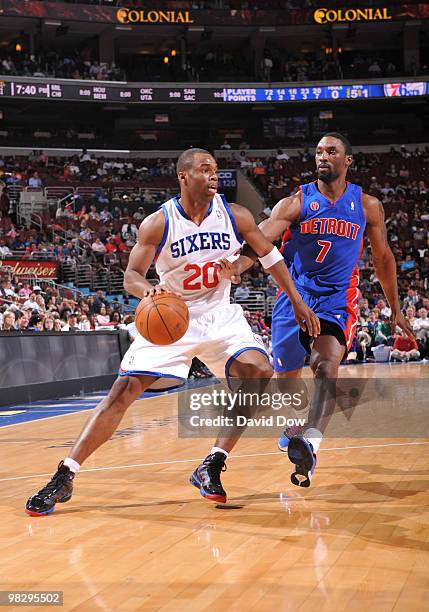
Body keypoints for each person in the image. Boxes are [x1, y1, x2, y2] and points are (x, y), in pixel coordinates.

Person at [25, 148, 319, 516]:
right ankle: (64, 475)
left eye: (215, 170)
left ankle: (212, 461)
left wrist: (296, 301)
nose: (213, 176)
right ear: (183, 176)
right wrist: (146, 290)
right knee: (123, 392)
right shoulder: (159, 222)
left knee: (258, 371)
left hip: (219, 315)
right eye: (205, 170)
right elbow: (131, 274)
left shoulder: (235, 214)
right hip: (172, 316)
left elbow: (270, 255)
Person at [221, 132, 414, 487]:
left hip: (337, 300)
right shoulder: (294, 203)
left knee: (325, 365)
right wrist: (236, 266)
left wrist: (395, 308)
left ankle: (310, 442)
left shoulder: (367, 205)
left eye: (331, 151)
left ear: (348, 160)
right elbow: (262, 239)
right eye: (318, 152)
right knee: (290, 390)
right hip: (294, 298)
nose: (323, 156)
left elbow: (383, 257)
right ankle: (296, 426)